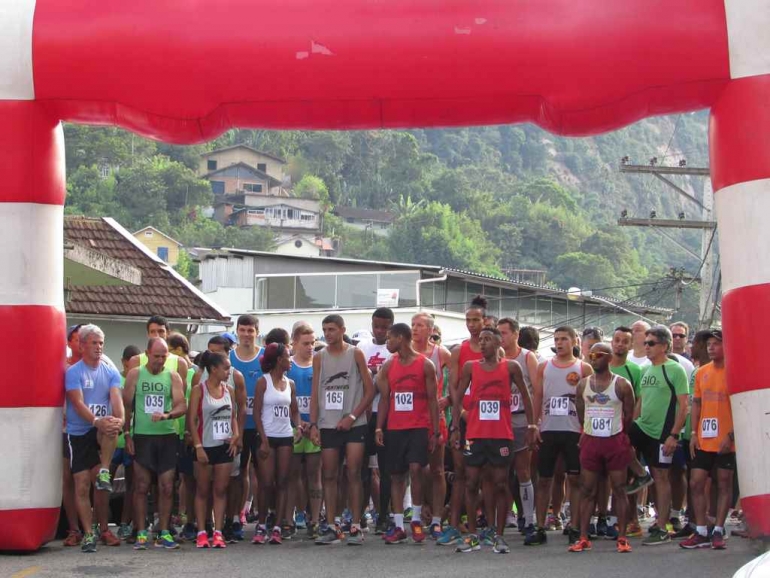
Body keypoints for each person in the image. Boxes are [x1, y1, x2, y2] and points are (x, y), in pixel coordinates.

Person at [452, 327, 535, 554]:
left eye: (488, 339)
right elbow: (458, 397)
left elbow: (527, 398)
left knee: (500, 483)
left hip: (501, 434)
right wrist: (455, 428)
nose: (483, 343)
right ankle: (472, 535)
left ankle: (498, 535)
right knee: (471, 482)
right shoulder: (471, 367)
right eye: (481, 340)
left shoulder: (510, 367)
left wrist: (532, 425)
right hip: (474, 434)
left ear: (499, 343)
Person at [310, 314, 375, 545]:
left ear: (342, 330)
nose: (328, 334)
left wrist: (353, 415)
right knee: (328, 474)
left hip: (354, 423)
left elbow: (370, 390)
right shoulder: (319, 357)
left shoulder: (355, 353)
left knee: (353, 472)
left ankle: (356, 525)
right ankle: (331, 525)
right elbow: (315, 392)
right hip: (328, 423)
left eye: (332, 329)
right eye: (325, 329)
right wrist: (314, 424)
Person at [528, 326, 593, 546]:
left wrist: (587, 428)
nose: (560, 343)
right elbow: (538, 395)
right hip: (548, 428)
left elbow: (590, 400)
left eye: (564, 339)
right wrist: (533, 424)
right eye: (556, 339)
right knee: (544, 478)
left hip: (574, 430)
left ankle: (574, 526)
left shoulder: (583, 367)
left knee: (575, 479)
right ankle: (539, 527)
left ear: (574, 340)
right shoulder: (544, 366)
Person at [376, 323, 439, 544]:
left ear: (401, 338)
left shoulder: (425, 365)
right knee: (396, 475)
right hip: (395, 427)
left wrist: (435, 430)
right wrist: (378, 427)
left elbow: (433, 400)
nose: (387, 343)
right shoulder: (388, 366)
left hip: (418, 426)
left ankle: (417, 520)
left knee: (416, 469)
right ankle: (399, 525)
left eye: (390, 339)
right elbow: (385, 399)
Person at [570, 343, 636, 553]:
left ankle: (623, 537)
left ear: (608, 358)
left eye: (598, 355)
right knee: (587, 489)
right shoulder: (582, 385)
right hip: (591, 441)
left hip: (614, 440)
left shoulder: (622, 384)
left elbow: (629, 414)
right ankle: (583, 537)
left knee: (619, 489)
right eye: (591, 355)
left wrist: (620, 434)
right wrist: (586, 430)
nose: (593, 358)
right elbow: (580, 411)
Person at [65, 324, 125, 553]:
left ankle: (104, 471)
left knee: (101, 486)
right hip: (79, 431)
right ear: (82, 346)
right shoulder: (73, 372)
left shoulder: (110, 372)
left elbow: (116, 399)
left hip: (101, 431)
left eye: (101, 343)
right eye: (94, 343)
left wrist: (119, 419)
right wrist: (96, 421)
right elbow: (78, 403)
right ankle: (88, 533)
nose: (99, 347)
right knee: (81, 486)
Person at [627, 325, 689, 545]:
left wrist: (674, 435)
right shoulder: (645, 369)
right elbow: (641, 401)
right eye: (645, 343)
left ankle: (662, 527)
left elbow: (684, 406)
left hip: (663, 434)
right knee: (618, 442)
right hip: (643, 427)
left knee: (661, 477)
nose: (647, 347)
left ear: (664, 346)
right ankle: (639, 474)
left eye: (651, 343)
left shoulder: (675, 369)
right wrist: (632, 424)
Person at [123, 337, 187, 550]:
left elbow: (181, 405)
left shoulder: (173, 376)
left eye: (163, 356)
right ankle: (141, 532)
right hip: (142, 436)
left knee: (167, 486)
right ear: (147, 353)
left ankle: (165, 531)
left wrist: (167, 415)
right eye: (156, 356)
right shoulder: (135, 374)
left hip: (166, 436)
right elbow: (127, 407)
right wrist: (127, 435)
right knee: (141, 486)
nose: (160, 360)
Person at [438, 296, 486, 546]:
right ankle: (454, 525)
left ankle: (481, 526)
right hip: (465, 420)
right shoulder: (459, 351)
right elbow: (455, 389)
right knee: (460, 474)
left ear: (485, 321)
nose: (471, 324)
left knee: (484, 476)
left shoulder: (494, 351)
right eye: (468, 320)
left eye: (476, 320)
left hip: (487, 423)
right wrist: (457, 420)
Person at [190, 335, 247, 542]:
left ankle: (219, 531)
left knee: (221, 490)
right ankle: (201, 531)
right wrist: (197, 446)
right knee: (203, 490)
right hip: (205, 445)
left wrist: (236, 435)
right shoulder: (199, 389)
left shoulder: (229, 390)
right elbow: (192, 419)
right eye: (225, 368)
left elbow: (233, 415)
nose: (228, 372)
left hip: (224, 446)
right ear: (213, 369)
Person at [681, 330, 734, 550]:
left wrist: (731, 435)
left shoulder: (734, 371)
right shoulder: (702, 372)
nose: (711, 348)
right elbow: (696, 404)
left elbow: (741, 405)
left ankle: (719, 529)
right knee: (696, 482)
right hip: (704, 439)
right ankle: (701, 530)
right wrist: (693, 433)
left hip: (727, 440)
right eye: (709, 344)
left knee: (723, 484)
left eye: (717, 344)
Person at [252, 343, 301, 545]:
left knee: (283, 483)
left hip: (285, 437)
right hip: (267, 436)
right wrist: (263, 439)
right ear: (279, 359)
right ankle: (262, 523)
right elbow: (255, 413)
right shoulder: (263, 382)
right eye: (288, 356)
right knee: (266, 483)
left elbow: (295, 411)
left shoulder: (290, 383)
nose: (291, 359)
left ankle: (278, 526)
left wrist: (298, 427)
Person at [498, 317, 539, 537]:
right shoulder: (495, 359)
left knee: (524, 470)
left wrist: (535, 422)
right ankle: (505, 517)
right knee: (502, 473)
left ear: (515, 334)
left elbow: (535, 390)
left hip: (522, 419)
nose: (501, 337)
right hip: (500, 421)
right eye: (499, 333)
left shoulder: (527, 357)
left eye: (504, 333)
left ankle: (528, 518)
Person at [412, 312, 451, 538]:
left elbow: (456, 384)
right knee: (416, 469)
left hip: (437, 419)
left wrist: (448, 400)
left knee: (437, 470)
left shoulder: (441, 353)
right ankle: (418, 514)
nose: (415, 329)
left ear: (430, 330)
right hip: (412, 420)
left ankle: (437, 519)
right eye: (413, 325)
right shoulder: (404, 353)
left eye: (420, 325)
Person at [358, 308, 394, 534]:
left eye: (384, 327)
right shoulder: (361, 348)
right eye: (376, 326)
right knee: (360, 468)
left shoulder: (393, 351)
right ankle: (359, 513)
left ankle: (383, 515)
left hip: (386, 415)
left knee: (386, 469)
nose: (380, 331)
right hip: (364, 413)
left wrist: (376, 372)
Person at [228, 314, 265, 532]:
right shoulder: (229, 358)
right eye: (242, 330)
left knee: (262, 474)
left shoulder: (263, 358)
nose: (246, 334)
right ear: (237, 332)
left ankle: (263, 518)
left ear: (257, 333)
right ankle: (235, 516)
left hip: (260, 426)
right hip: (236, 426)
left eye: (250, 330)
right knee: (238, 473)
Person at [288, 323, 323, 539]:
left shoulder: (318, 365)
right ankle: (297, 514)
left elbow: (321, 398)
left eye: (312, 343)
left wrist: (314, 424)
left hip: (314, 428)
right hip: (292, 428)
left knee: (314, 475)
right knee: (293, 476)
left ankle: (316, 519)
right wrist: (297, 424)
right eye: (305, 343)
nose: (310, 347)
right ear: (294, 342)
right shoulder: (288, 366)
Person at [111, 344, 141, 541]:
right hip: (114, 441)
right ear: (123, 362)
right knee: (103, 482)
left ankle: (125, 523)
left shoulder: (139, 379)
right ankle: (98, 524)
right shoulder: (115, 379)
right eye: (131, 363)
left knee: (132, 484)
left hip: (131, 440)